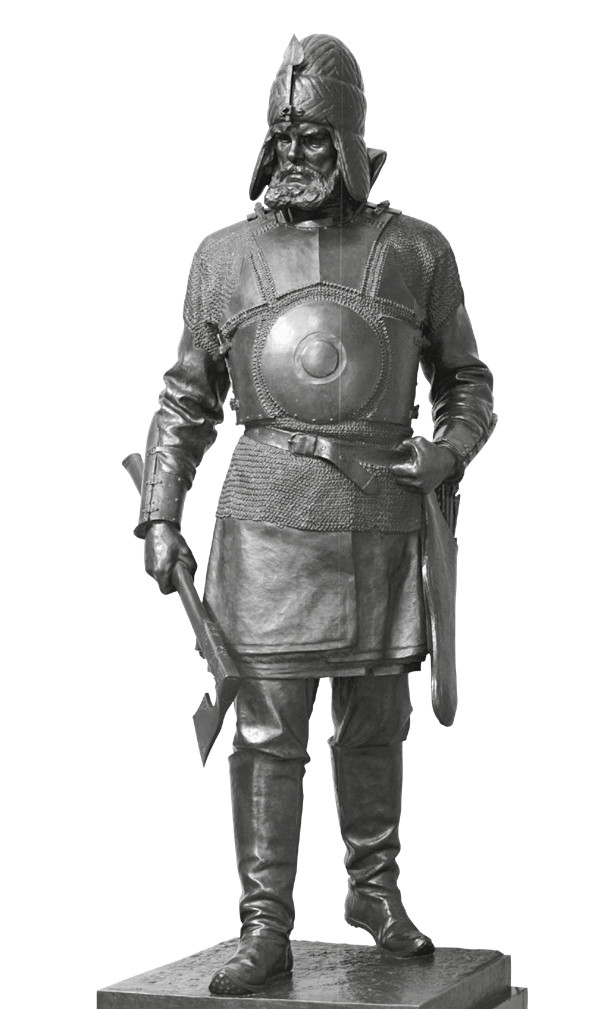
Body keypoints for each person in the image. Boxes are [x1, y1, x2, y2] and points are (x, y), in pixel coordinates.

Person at [135, 34, 496, 997]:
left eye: (314, 137)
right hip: (266, 523)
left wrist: (448, 450)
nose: (295, 154)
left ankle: (374, 889)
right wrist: (161, 511)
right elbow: (185, 399)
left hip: (381, 515)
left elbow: (468, 382)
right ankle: (264, 923)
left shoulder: (415, 252)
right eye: (283, 137)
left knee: (376, 720)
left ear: (351, 140)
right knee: (266, 732)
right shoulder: (224, 258)